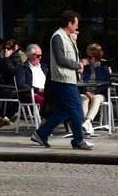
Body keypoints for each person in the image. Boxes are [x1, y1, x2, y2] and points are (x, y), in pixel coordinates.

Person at [31, 10, 93, 150]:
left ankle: (41, 134)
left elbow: (71, 56)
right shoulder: (58, 37)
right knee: (76, 109)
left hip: (69, 79)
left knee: (65, 110)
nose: (77, 27)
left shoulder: (68, 37)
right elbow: (60, 59)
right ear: (69, 23)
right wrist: (77, 65)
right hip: (63, 79)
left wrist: (74, 45)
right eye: (75, 24)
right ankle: (78, 140)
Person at [80, 43, 111, 136]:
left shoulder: (104, 68)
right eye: (87, 57)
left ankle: (87, 122)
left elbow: (106, 84)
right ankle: (87, 126)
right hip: (86, 92)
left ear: (96, 57)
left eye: (90, 57)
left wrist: (94, 93)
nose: (88, 59)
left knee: (96, 98)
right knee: (82, 98)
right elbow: (80, 82)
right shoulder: (85, 68)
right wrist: (87, 92)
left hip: (99, 93)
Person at [15, 44, 48, 112]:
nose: (40, 57)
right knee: (44, 101)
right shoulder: (23, 68)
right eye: (38, 56)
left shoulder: (44, 67)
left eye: (41, 55)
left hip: (46, 92)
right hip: (31, 93)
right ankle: (46, 117)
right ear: (29, 55)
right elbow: (21, 84)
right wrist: (37, 90)